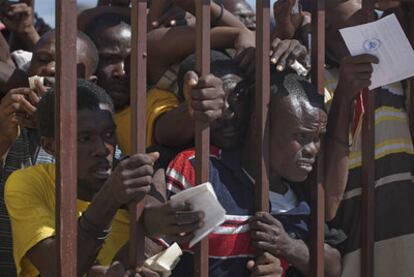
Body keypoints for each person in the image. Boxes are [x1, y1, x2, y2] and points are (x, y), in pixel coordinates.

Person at [4, 80, 205, 277]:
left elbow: (151, 221)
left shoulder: (133, 179)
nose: (102, 149)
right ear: (50, 146)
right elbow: (59, 268)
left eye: (109, 134)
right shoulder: (28, 183)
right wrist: (110, 195)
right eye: (85, 138)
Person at [166, 54, 342, 276]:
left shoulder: (303, 197)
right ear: (261, 125)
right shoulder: (202, 169)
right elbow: (153, 247)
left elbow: (334, 266)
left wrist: (289, 247)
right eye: (301, 136)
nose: (313, 149)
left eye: (317, 138)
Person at [323, 1, 414, 276]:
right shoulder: (317, 82)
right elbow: (327, 203)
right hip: (354, 251)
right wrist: (343, 97)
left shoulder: (398, 73)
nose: (365, 26)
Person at [0, 30, 99, 276]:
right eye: (42, 60)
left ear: (90, 84)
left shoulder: (101, 138)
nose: (51, 69)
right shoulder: (6, 118)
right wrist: (3, 137)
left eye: (67, 65)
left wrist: (60, 128)